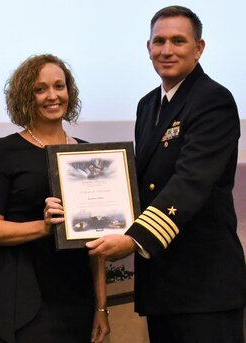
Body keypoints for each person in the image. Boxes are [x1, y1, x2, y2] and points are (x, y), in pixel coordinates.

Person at [86, 5, 246, 342]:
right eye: (159, 41)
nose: (167, 50)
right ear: (148, 48)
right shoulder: (147, 105)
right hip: (162, 283)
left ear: (198, 48)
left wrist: (133, 238)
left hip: (205, 286)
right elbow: (141, 182)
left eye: (178, 41)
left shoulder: (213, 100)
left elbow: (191, 183)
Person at [0, 54, 109, 343]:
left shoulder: (88, 155)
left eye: (59, 86)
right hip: (21, 294)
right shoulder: (4, 152)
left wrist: (101, 307)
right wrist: (44, 226)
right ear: (26, 96)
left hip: (76, 294)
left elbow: (96, 244)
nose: (52, 96)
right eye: (41, 89)